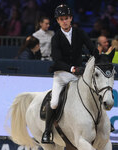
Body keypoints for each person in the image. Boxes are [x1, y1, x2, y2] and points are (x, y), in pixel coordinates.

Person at [41, 4, 99, 144]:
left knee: (96, 93)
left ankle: (103, 123)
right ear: (58, 21)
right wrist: (72, 69)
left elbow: (92, 48)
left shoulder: (79, 33)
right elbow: (57, 60)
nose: (64, 21)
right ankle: (47, 131)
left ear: (71, 18)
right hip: (62, 75)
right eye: (61, 19)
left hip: (79, 74)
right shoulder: (56, 38)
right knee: (54, 102)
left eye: (66, 18)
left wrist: (99, 57)